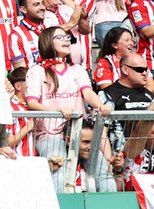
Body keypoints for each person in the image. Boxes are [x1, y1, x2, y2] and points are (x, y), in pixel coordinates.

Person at [24, 27, 112, 192]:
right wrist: (56, 111)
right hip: (50, 135)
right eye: (60, 37)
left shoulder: (77, 69)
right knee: (59, 173)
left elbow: (88, 92)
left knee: (104, 173)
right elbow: (32, 103)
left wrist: (100, 105)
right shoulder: (36, 71)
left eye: (67, 37)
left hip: (79, 134)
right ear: (47, 41)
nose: (66, 40)